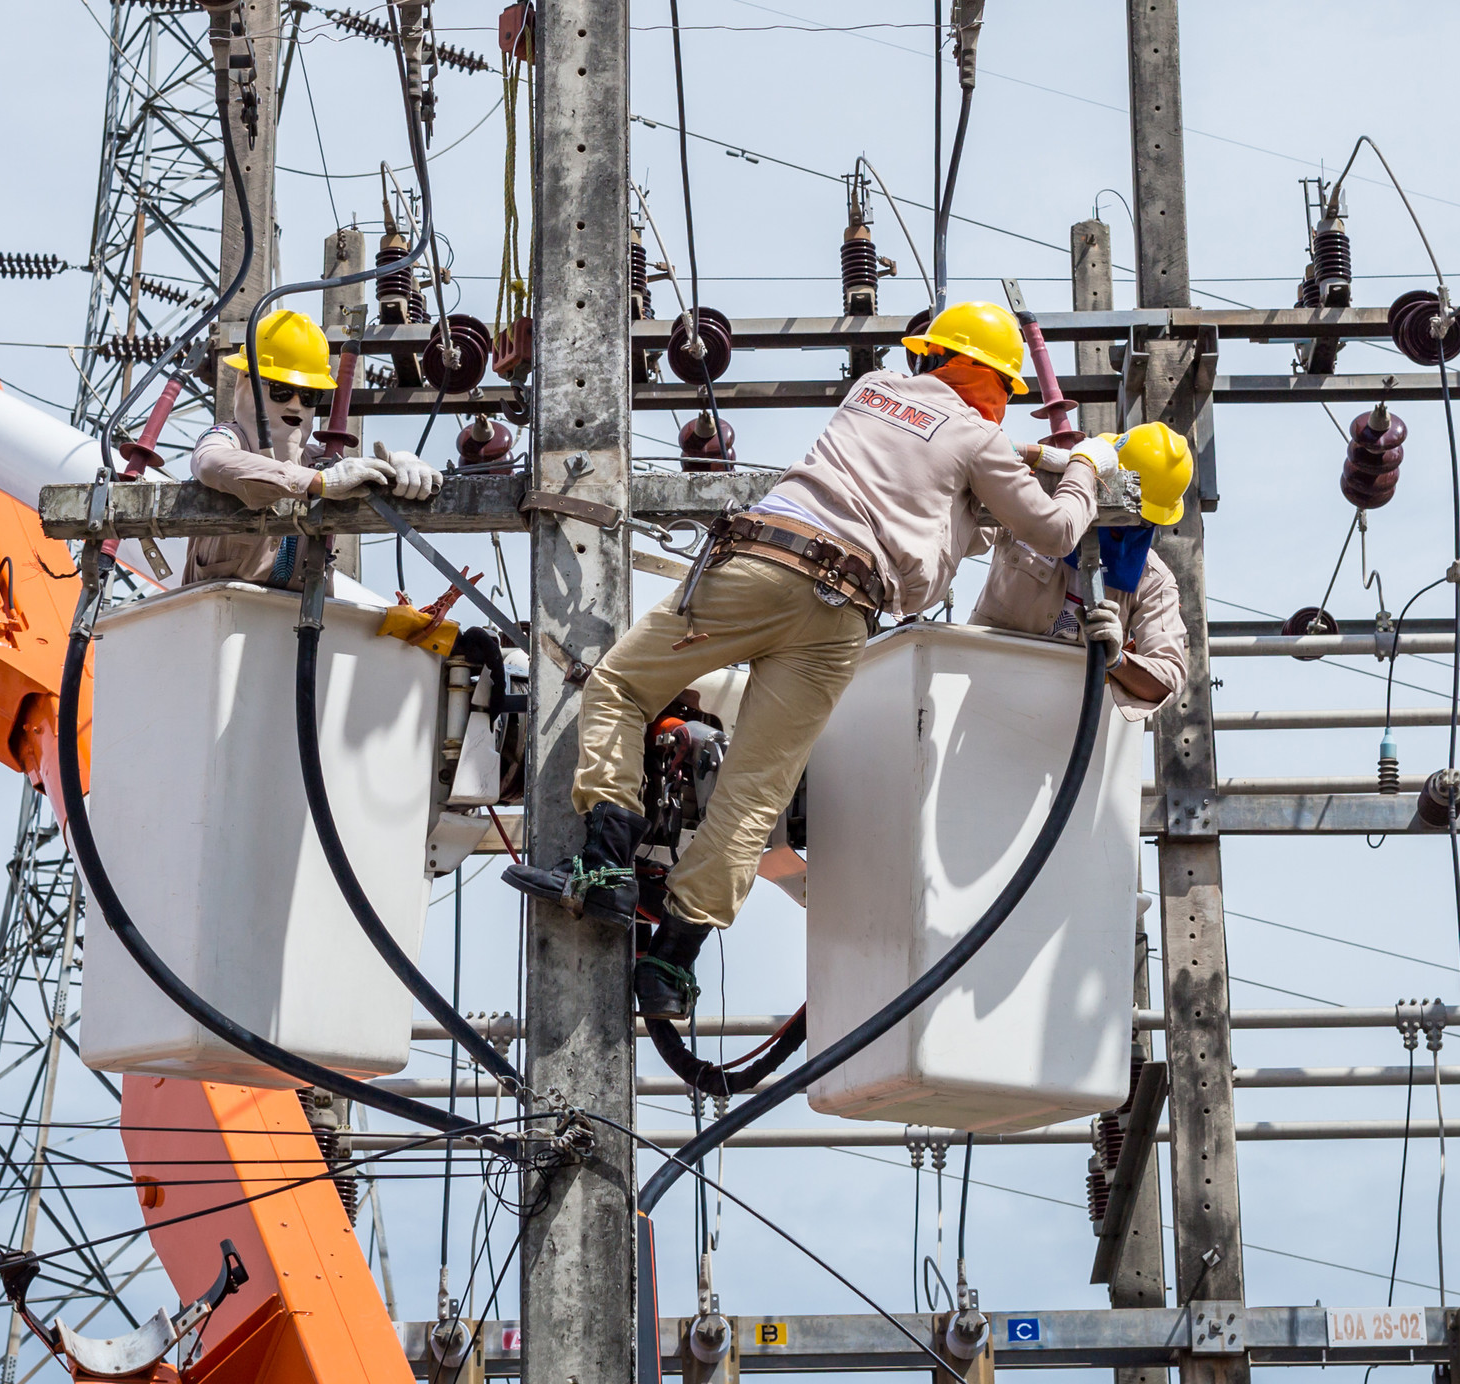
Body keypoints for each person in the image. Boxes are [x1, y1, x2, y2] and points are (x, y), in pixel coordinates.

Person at [504, 300, 1117, 1018]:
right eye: (1004, 392)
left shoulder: (874, 388)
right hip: (840, 616)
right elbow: (1054, 528)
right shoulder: (982, 442)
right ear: (991, 378)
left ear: (932, 357)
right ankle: (669, 963)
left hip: (762, 566)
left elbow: (921, 463)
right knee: (754, 791)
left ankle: (608, 864)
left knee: (619, 687)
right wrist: (1083, 467)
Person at [182, 310, 440, 586]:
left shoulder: (319, 460)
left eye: (308, 396)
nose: (295, 405)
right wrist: (316, 482)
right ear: (247, 386)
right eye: (280, 390)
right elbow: (211, 462)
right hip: (220, 618)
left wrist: (399, 468)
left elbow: (357, 474)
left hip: (299, 622)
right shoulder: (228, 438)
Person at [969, 421, 1194, 718]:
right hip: (979, 688)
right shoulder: (1037, 512)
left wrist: (1116, 660)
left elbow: (1167, 678)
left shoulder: (1151, 580)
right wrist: (1039, 457)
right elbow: (965, 515)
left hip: (1060, 723)